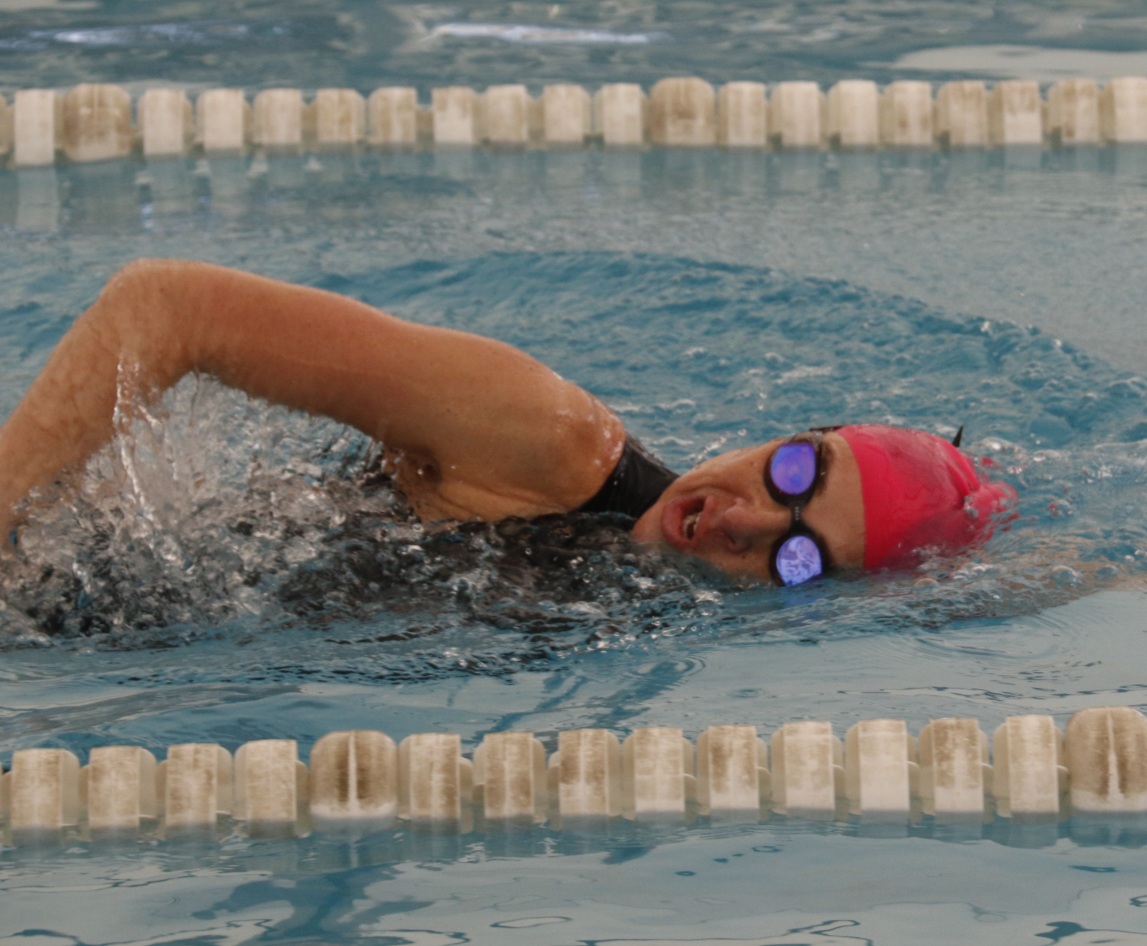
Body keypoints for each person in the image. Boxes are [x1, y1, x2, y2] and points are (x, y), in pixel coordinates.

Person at [0, 260, 1015, 586]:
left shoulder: (645, 608)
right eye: (796, 472)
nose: (746, 521)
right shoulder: (550, 439)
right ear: (799, 427)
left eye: (798, 560)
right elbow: (163, 307)